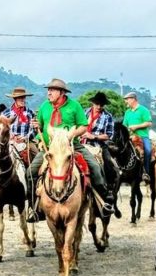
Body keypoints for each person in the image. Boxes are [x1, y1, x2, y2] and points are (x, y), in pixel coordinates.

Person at [26, 79, 114, 223]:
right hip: (50, 149)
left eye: (52, 90)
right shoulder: (44, 107)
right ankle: (35, 209)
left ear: (62, 93)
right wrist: (36, 126)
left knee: (95, 167)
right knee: (30, 173)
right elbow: (40, 127)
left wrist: (71, 135)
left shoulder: (74, 106)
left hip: (73, 146)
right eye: (48, 89)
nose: (49, 92)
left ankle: (104, 202)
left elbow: (83, 126)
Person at [81, 91, 117, 187]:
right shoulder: (84, 112)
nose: (99, 107)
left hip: (99, 145)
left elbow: (109, 135)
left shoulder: (107, 116)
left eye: (101, 105)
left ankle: (109, 187)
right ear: (93, 103)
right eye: (97, 104)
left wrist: (94, 136)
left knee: (108, 163)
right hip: (81, 143)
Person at [123, 92, 153, 182]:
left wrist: (136, 126)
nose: (126, 102)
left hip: (142, 136)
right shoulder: (127, 112)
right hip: (130, 137)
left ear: (133, 99)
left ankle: (146, 172)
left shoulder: (144, 110)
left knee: (148, 151)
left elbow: (149, 123)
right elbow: (124, 125)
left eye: (127, 99)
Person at [1, 87, 37, 162]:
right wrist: (10, 136)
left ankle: (33, 173)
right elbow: (1, 129)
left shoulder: (30, 113)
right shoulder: (5, 113)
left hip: (26, 141)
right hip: (10, 141)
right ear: (15, 99)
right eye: (20, 98)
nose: (23, 99)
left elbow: (34, 130)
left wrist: (25, 138)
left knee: (36, 155)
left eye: (23, 97)